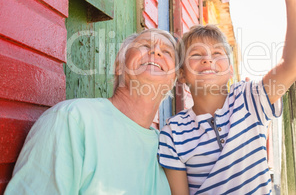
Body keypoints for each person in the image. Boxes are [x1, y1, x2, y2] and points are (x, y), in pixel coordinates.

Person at [158, 0, 296, 195]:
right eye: (196, 55)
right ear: (182, 74)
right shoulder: (173, 133)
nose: (208, 59)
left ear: (230, 69)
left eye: (218, 54)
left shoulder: (249, 98)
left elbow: (295, 63)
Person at [5, 29, 177, 194]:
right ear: (119, 65)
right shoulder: (72, 119)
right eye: (145, 45)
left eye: (167, 52)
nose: (156, 52)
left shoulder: (169, 151)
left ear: (173, 80)